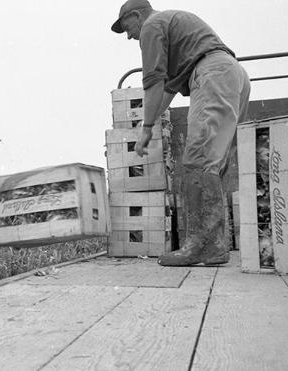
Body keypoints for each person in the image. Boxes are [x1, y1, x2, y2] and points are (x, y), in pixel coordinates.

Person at [111, 0, 250, 266]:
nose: (129, 35)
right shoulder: (174, 26)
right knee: (213, 164)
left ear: (136, 15)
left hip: (211, 74)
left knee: (197, 160)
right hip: (233, 74)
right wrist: (148, 123)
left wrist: (147, 128)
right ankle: (214, 247)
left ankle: (199, 246)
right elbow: (168, 91)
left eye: (126, 27)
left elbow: (153, 82)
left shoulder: (152, 25)